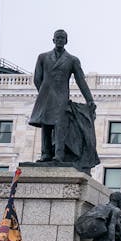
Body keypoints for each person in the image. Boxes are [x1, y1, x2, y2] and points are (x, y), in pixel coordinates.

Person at [30, 28, 95, 164]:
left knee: (60, 125)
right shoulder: (43, 57)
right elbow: (37, 78)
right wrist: (43, 92)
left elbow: (80, 80)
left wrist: (89, 99)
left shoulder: (72, 60)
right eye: (57, 38)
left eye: (62, 38)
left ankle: (58, 155)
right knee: (46, 126)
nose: (60, 40)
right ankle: (46, 154)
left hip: (61, 96)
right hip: (46, 95)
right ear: (53, 40)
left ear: (66, 41)